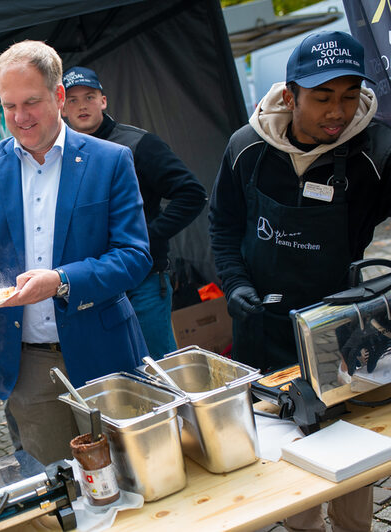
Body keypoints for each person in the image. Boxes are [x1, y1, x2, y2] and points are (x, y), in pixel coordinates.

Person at [0, 40, 152, 465]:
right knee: (60, 484)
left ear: (58, 97)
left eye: (31, 102)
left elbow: (134, 256)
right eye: (8, 106)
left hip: (104, 349)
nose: (20, 118)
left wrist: (61, 281)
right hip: (27, 363)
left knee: (132, 469)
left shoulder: (110, 160)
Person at [209, 30, 391, 532]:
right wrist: (235, 286)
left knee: (355, 470)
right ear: (290, 96)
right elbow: (223, 228)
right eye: (323, 97)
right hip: (265, 332)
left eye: (350, 96)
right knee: (291, 473)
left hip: (347, 337)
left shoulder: (376, 151)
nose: (338, 112)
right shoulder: (246, 149)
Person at [61, 66, 207, 357]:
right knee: (115, 373)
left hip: (144, 280)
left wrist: (146, 237)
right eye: (73, 100)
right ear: (62, 108)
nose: (82, 106)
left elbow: (192, 194)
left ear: (103, 100)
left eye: (89, 97)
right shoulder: (60, 155)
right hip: (95, 284)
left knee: (158, 368)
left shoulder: (138, 143)